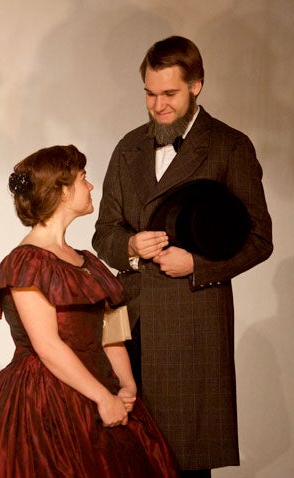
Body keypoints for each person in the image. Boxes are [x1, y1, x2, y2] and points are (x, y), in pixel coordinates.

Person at [0, 145, 178, 477]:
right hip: (44, 398)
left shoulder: (88, 262)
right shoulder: (26, 261)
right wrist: (103, 398)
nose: (90, 187)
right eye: (83, 179)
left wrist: (127, 386)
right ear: (62, 191)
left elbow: (111, 329)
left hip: (102, 388)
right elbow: (47, 344)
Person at [92, 36, 273, 477]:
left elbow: (259, 238)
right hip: (131, 322)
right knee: (127, 455)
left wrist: (198, 266)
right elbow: (104, 234)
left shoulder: (230, 146)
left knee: (185, 458)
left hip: (193, 322)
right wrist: (131, 249)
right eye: (150, 94)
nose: (158, 105)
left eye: (169, 93)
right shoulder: (128, 147)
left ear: (197, 86)